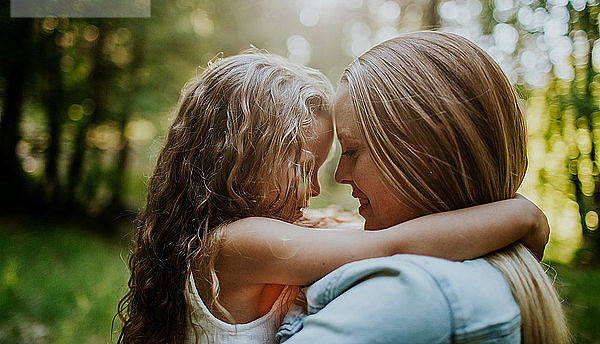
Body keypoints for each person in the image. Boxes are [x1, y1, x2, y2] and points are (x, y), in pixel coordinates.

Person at [116, 50, 549, 344]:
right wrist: (522, 216)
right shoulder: (236, 243)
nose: (319, 188)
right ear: (244, 156)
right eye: (306, 166)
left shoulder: (249, 239)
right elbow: (390, 244)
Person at [277, 31, 569, 344]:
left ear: (430, 154)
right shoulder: (483, 270)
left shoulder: (413, 295)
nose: (339, 175)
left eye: (352, 150)